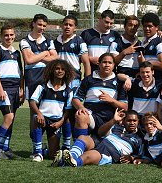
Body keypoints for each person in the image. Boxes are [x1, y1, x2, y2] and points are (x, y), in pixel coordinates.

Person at [19, 14, 58, 155]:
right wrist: (46, 53)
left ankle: (46, 145)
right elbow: (28, 60)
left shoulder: (48, 40)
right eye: (39, 24)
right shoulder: (24, 41)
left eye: (44, 25)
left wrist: (38, 56)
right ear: (33, 23)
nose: (41, 28)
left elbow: (56, 59)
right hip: (32, 80)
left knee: (47, 110)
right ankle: (35, 145)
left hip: (47, 79)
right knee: (34, 113)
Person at [53, 109, 142, 167]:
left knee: (88, 156)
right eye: (129, 120)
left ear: (138, 121)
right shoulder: (117, 127)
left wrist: (131, 158)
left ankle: (66, 162)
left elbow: (140, 155)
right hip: (101, 143)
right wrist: (113, 121)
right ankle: (71, 156)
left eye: (134, 121)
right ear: (124, 121)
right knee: (83, 137)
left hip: (110, 154)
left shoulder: (139, 138)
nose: (132, 123)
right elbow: (100, 132)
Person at [54, 15, 91, 150]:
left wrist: (87, 83)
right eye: (66, 24)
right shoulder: (55, 42)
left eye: (71, 25)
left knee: (71, 113)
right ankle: (62, 145)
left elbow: (86, 63)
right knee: (60, 112)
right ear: (62, 25)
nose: (67, 27)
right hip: (58, 82)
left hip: (74, 81)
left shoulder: (79, 41)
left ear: (75, 27)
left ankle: (72, 144)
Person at [72, 53, 128, 140]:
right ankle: (78, 149)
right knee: (81, 116)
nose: (107, 65)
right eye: (104, 62)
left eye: (110, 63)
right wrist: (80, 107)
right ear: (99, 63)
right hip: (92, 116)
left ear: (114, 65)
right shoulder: (89, 79)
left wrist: (112, 100)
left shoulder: (119, 82)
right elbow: (75, 99)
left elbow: (125, 107)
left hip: (110, 120)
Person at [0, 25, 24, 159]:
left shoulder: (16, 53)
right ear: (1, 36)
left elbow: (21, 73)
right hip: (4, 87)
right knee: (8, 117)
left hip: (16, 88)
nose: (9, 37)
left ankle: (6, 148)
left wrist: (21, 89)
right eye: (6, 35)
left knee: (12, 119)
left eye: (11, 35)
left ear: (14, 35)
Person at [29, 59, 74, 162]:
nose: (60, 71)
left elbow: (68, 110)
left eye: (63, 69)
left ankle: (64, 148)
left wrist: (61, 122)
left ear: (66, 72)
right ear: (52, 70)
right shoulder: (43, 86)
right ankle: (38, 153)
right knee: (36, 118)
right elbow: (32, 102)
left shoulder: (68, 90)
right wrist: (39, 113)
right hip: (43, 119)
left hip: (56, 122)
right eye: (57, 69)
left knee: (53, 154)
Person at [138, 13, 162, 84]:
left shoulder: (159, 43)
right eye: (145, 26)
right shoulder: (142, 42)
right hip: (145, 81)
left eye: (150, 26)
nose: (147, 29)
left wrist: (145, 62)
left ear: (157, 27)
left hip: (157, 82)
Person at [109, 15, 141, 80]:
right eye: (130, 25)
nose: (132, 28)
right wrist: (124, 52)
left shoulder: (140, 43)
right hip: (122, 78)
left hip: (138, 78)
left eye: (135, 26)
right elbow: (113, 62)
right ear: (124, 26)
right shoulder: (116, 43)